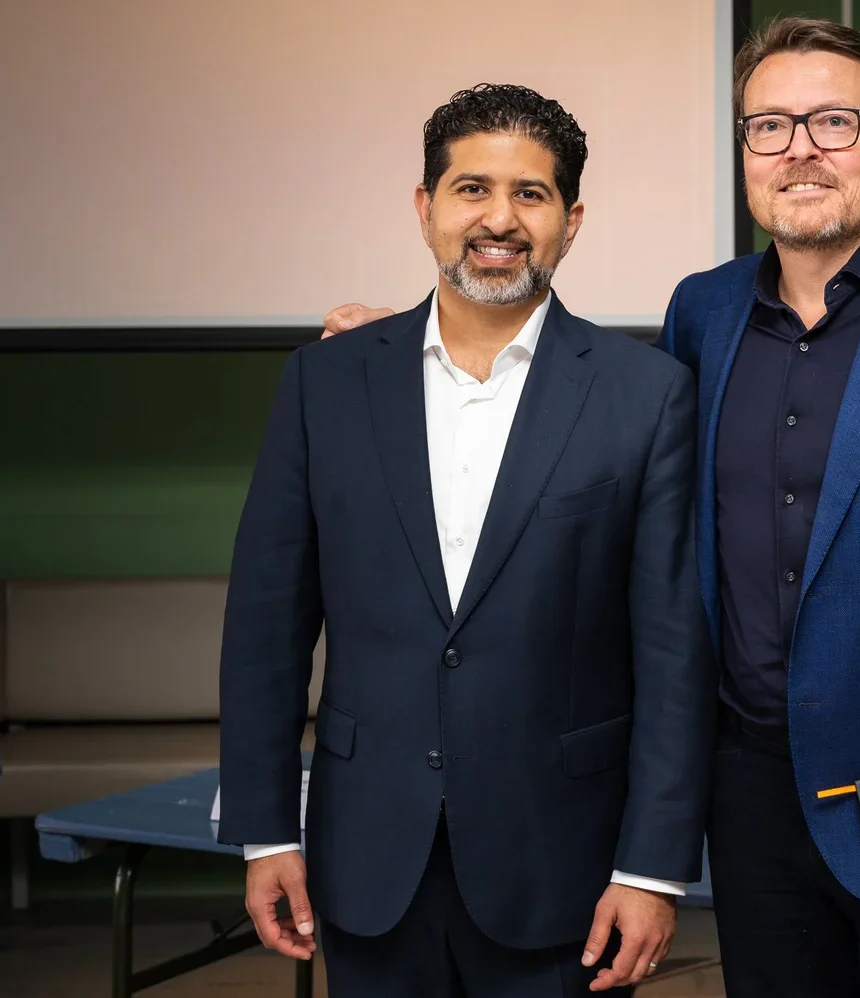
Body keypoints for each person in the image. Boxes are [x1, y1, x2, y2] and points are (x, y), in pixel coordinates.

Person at [323, 18, 860, 998]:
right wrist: (409, 339)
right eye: (770, 126)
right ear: (745, 154)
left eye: (835, 120)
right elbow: (583, 398)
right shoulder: (701, 312)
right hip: (746, 805)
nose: (802, 150)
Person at [218, 83, 717, 998]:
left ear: (572, 219)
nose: (500, 218)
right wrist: (266, 832)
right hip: (366, 860)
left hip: (565, 867)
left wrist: (651, 869)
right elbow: (265, 626)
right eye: (471, 188)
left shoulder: (646, 396)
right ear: (426, 208)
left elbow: (673, 652)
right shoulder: (324, 386)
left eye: (530, 193)